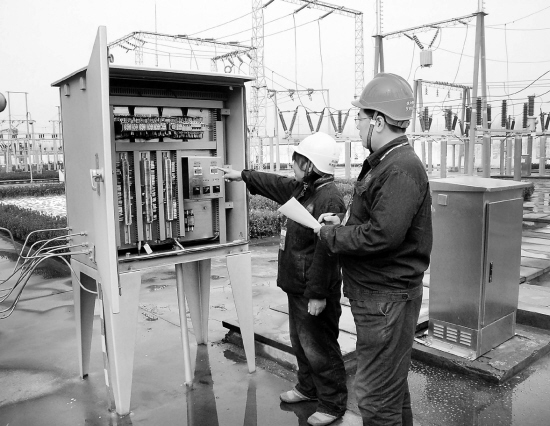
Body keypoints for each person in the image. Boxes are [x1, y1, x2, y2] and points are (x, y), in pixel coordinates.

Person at [315, 73, 433, 426]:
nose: (357, 125)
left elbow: (383, 235)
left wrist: (331, 236)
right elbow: (377, 222)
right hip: (382, 296)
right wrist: (343, 225)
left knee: (375, 397)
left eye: (360, 117)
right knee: (390, 389)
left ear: (378, 121)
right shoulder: (388, 162)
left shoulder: (399, 168)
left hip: (385, 299)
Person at [217, 132, 348, 426]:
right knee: (300, 343)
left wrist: (318, 293)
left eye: (297, 160)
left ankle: (332, 404)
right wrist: (242, 175)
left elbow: (327, 252)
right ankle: (307, 388)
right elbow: (274, 184)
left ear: (311, 165)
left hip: (313, 289)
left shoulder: (329, 198)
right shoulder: (305, 190)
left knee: (320, 348)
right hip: (297, 284)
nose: (292, 165)